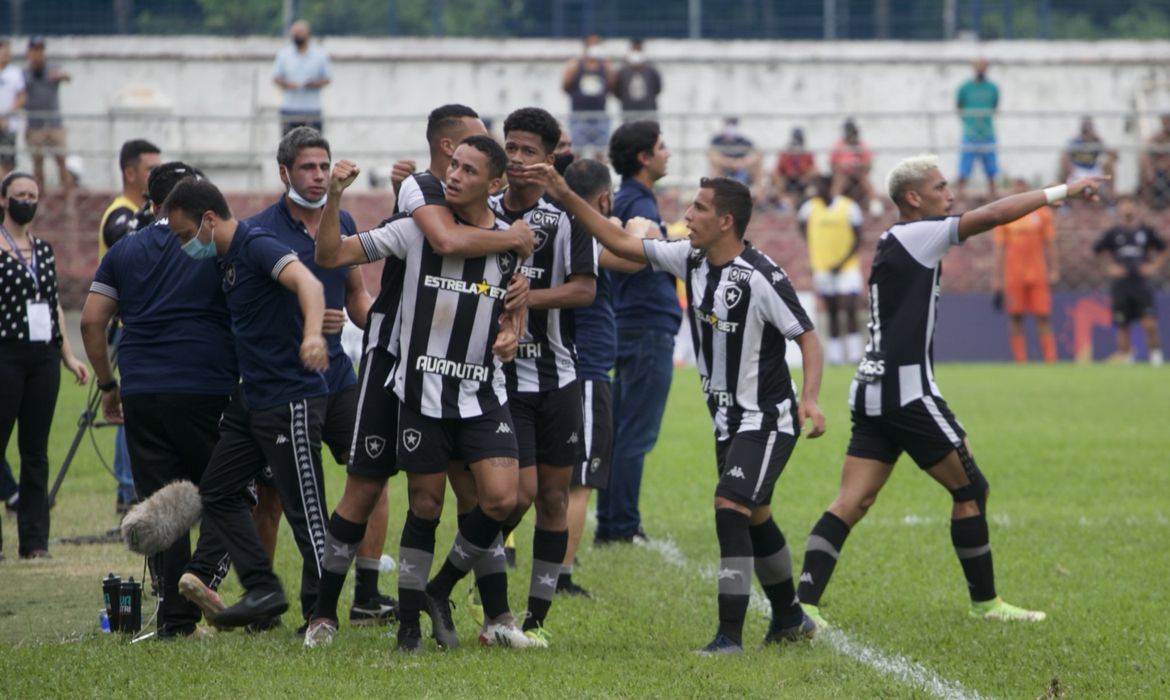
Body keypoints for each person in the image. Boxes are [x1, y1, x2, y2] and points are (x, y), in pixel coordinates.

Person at [795, 155, 1104, 629]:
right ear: (913, 198)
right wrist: (1064, 190)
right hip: (906, 390)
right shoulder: (920, 232)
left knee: (851, 502)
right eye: (940, 187)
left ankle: (805, 605)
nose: (951, 195)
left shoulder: (897, 239)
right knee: (971, 488)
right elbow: (995, 215)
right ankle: (986, 603)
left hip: (872, 386)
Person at [538, 165, 827, 654]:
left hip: (767, 419)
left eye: (699, 208)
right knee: (756, 516)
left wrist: (812, 399)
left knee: (731, 508)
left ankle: (728, 637)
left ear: (727, 221)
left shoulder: (759, 277)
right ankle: (789, 617)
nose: (687, 215)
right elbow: (622, 242)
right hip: (726, 421)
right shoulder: (690, 259)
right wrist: (566, 195)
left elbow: (809, 339)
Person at [303, 124, 534, 649]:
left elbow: (512, 311)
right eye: (454, 166)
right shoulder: (415, 228)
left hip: (481, 394)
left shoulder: (513, 245)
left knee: (502, 499)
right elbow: (331, 256)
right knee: (420, 503)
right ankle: (373, 618)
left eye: (468, 171)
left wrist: (511, 333)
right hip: (417, 391)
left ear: (495, 182)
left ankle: (447, 592)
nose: (453, 176)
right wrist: (335, 196)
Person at [243, 126, 399, 631]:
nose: (317, 176)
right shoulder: (260, 231)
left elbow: (355, 297)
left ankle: (367, 593)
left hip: (339, 378)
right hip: (286, 386)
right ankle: (274, 601)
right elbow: (254, 309)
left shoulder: (344, 218)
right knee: (281, 498)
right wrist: (307, 318)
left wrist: (384, 324)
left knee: (372, 469)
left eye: (323, 166)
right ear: (283, 171)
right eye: (307, 167)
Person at [165, 178, 330, 629]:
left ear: (209, 220)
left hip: (290, 397)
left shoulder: (257, 245)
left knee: (303, 510)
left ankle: (322, 612)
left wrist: (313, 334)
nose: (184, 245)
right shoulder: (223, 259)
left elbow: (309, 284)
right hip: (250, 399)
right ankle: (263, 589)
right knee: (217, 490)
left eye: (184, 235)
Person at [81, 162, 235, 638]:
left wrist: (109, 386)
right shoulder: (211, 246)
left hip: (142, 390)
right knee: (224, 492)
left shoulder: (125, 249)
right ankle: (202, 578)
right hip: (205, 387)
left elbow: (91, 321)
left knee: (165, 507)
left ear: (152, 201)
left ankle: (175, 620)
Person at [484, 107, 597, 640]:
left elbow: (585, 290)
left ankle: (536, 618)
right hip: (498, 381)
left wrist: (530, 298)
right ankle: (486, 604)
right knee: (514, 496)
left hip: (557, 378)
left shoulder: (567, 217)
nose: (518, 159)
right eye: (511, 147)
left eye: (530, 150)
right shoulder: (480, 212)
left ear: (551, 158)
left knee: (554, 498)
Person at [557, 158, 648, 597]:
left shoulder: (554, 227)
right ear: (605, 197)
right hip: (587, 368)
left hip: (557, 367)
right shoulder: (585, 234)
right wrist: (641, 230)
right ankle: (561, 576)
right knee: (581, 481)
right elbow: (632, 257)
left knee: (557, 476)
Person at [596, 120, 679, 545]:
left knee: (620, 430)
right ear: (644, 157)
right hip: (648, 325)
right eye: (662, 146)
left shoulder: (626, 198)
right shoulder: (641, 204)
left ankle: (613, 521)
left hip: (626, 322)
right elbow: (642, 253)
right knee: (636, 433)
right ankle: (622, 527)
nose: (668, 152)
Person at [0, 172, 89, 559]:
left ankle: (34, 542)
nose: (26, 200)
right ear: (4, 200)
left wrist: (67, 355)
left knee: (35, 451)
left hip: (43, 358)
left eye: (32, 195)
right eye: (19, 194)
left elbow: (52, 305)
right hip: (5, 353)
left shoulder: (45, 251)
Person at [100, 138, 160, 514]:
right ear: (130, 172)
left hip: (145, 322)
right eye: (151, 169)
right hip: (128, 325)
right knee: (129, 408)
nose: (157, 174)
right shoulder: (121, 214)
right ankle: (127, 489)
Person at [1092, 195, 1167, 366]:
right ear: (1119, 209)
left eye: (1131, 204)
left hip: (1141, 284)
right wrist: (1109, 268)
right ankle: (1127, 362)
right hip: (1121, 285)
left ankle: (1156, 360)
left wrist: (1154, 266)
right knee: (1123, 325)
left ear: (1137, 208)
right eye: (1124, 205)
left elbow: (1164, 249)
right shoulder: (1113, 233)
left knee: (1150, 324)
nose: (1127, 208)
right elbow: (1096, 252)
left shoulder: (1146, 231)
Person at [992, 179, 1060, 364]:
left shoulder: (1042, 213)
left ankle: (1050, 360)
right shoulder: (1005, 216)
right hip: (1014, 275)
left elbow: (1050, 243)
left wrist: (1054, 269)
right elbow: (999, 249)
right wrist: (997, 278)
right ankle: (1020, 362)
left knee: (1043, 316)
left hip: (1038, 273)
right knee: (1015, 317)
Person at [798, 175, 864, 365]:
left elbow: (858, 238)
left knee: (850, 308)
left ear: (828, 186)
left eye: (819, 186)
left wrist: (842, 261)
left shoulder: (848, 207)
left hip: (847, 267)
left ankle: (855, 354)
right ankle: (835, 356)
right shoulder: (809, 208)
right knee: (832, 309)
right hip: (823, 268)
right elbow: (802, 227)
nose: (816, 190)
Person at [23, 36, 73, 197]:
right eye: (35, 50)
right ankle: (40, 201)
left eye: (40, 50)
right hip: (35, 125)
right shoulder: (25, 74)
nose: (38, 54)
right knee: (38, 166)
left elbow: (67, 76)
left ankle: (69, 204)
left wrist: (60, 76)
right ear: (29, 53)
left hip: (54, 125)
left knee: (62, 163)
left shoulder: (52, 69)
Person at [273, 20, 331, 135]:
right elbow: (276, 78)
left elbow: (327, 78)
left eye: (300, 32)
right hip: (290, 109)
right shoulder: (284, 54)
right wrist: (289, 84)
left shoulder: (320, 55)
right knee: (289, 146)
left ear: (308, 34)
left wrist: (313, 84)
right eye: (295, 32)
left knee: (314, 144)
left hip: (312, 109)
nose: (297, 35)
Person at [561, 35, 614, 161]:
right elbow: (565, 86)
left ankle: (601, 179)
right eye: (591, 44)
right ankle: (575, 178)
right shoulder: (575, 64)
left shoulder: (604, 65)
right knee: (576, 152)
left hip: (599, 116)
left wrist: (608, 66)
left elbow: (612, 86)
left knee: (600, 153)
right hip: (579, 116)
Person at [956, 58, 1000, 200]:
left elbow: (995, 106)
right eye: (978, 66)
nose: (980, 69)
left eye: (983, 66)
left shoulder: (993, 88)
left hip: (987, 133)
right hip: (970, 133)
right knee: (964, 168)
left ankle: (993, 196)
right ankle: (960, 195)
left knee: (991, 169)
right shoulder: (965, 87)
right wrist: (969, 121)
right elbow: (959, 106)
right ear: (973, 67)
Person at [830, 119, 883, 217]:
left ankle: (875, 203)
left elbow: (869, 165)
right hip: (843, 174)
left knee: (864, 178)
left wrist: (860, 166)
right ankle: (835, 203)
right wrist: (842, 167)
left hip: (858, 174)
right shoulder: (839, 145)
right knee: (839, 179)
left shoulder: (861, 145)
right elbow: (832, 164)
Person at [1060, 116, 1115, 201]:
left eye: (1089, 131)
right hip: (1078, 170)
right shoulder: (1075, 141)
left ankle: (1110, 199)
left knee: (1109, 163)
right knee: (1064, 161)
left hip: (1093, 169)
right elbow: (1065, 157)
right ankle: (1064, 199)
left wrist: (1101, 142)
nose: (1087, 135)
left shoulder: (1096, 141)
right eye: (1085, 132)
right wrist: (1072, 171)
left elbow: (1115, 156)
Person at [708, 117, 764, 201]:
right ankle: (714, 197)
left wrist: (742, 162)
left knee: (756, 167)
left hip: (742, 168)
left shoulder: (742, 140)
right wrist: (728, 162)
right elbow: (711, 155)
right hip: (725, 168)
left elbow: (758, 154)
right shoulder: (717, 140)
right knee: (716, 167)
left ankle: (760, 199)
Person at [614, 39, 661, 122]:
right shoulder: (623, 72)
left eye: (638, 50)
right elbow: (617, 90)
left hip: (648, 110)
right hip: (628, 111)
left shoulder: (651, 71)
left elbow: (657, 88)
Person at [772, 128, 818, 212]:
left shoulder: (807, 154)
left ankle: (805, 202)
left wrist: (803, 175)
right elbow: (778, 170)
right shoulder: (785, 153)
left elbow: (814, 169)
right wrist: (789, 172)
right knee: (774, 174)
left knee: (814, 173)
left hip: (802, 180)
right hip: (787, 180)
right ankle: (784, 202)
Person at [0, 41, 26, 178]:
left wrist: (6, 115)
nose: (5, 55)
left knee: (8, 161)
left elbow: (21, 97)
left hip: (9, 125)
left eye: (7, 53)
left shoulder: (15, 73)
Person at [1139, 115, 1170, 210]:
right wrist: (1149, 168)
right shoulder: (1157, 138)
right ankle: (1150, 206)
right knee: (1147, 174)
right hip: (1159, 173)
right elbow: (1144, 154)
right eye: (1165, 120)